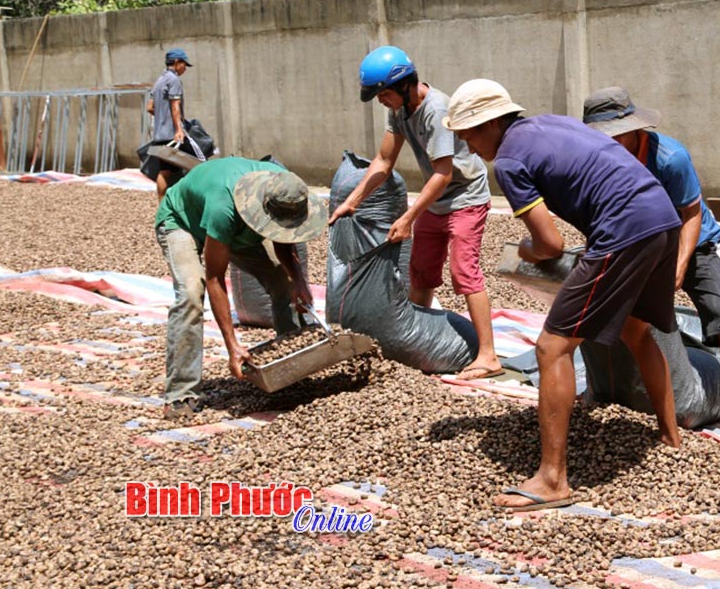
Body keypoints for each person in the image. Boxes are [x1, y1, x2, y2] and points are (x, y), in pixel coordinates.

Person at [443, 79, 683, 511]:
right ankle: (670, 437)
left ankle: (552, 480)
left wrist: (524, 252)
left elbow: (550, 244)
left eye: (471, 133)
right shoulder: (548, 125)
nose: (468, 144)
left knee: (552, 348)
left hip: (625, 229)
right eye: (461, 136)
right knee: (636, 331)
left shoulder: (510, 162)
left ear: (494, 122)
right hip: (662, 219)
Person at [582, 86, 720, 441]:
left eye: (615, 136)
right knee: (604, 310)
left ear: (634, 129)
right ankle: (600, 387)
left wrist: (679, 263)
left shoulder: (670, 158)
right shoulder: (600, 159)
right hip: (642, 244)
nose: (609, 143)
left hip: (698, 244)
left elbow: (690, 214)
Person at [328, 46, 502, 381]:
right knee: (421, 271)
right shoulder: (400, 111)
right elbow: (383, 160)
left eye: (384, 94)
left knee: (464, 272)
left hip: (465, 197)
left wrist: (408, 217)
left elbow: (443, 173)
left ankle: (488, 355)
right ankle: (416, 339)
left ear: (406, 86)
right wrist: (352, 201)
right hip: (437, 200)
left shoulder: (435, 109)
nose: (381, 101)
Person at [155, 157, 327, 419]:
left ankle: (292, 371)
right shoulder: (224, 206)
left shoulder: (284, 184)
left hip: (237, 230)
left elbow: (284, 237)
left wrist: (300, 283)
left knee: (283, 285)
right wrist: (232, 345)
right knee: (191, 292)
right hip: (181, 221)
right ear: (263, 209)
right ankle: (181, 393)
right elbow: (214, 277)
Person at [145, 48, 192, 200]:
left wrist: (162, 117)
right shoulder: (174, 80)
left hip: (159, 134)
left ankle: (162, 205)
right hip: (172, 134)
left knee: (164, 170)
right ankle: (177, 205)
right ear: (177, 62)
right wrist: (178, 129)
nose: (185, 68)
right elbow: (175, 105)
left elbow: (150, 107)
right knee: (190, 166)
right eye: (184, 64)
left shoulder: (159, 81)